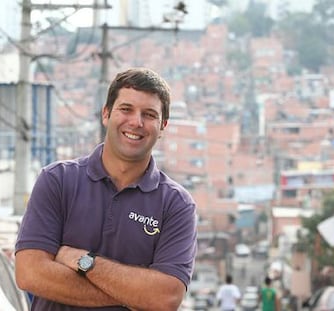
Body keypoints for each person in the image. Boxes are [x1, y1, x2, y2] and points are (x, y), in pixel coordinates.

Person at [14, 67, 198, 311]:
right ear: (106, 114)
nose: (136, 122)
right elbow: (30, 274)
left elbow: (165, 298)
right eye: (126, 109)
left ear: (162, 126)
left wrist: (85, 262)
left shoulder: (176, 205)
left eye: (150, 114)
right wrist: (135, 294)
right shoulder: (57, 180)